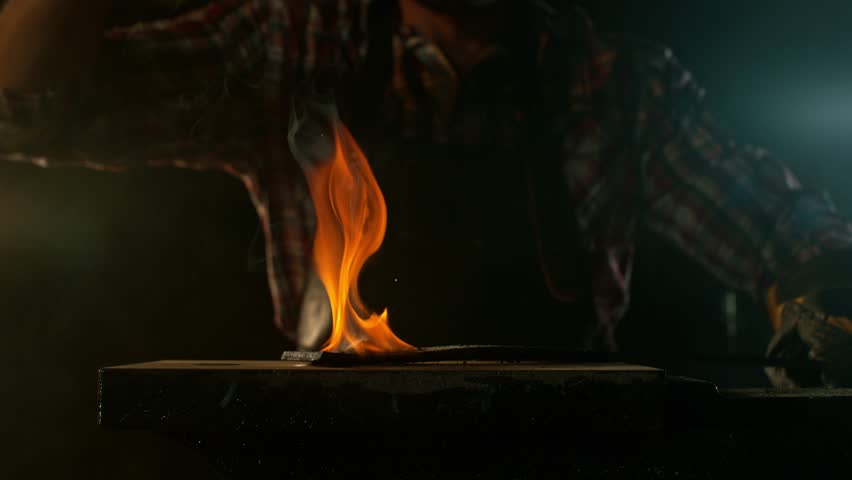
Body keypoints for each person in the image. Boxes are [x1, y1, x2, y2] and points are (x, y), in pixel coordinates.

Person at [2, 0, 852, 387]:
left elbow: (789, 237)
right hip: (334, 458)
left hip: (558, 455)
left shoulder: (616, 82)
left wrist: (823, 306)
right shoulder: (294, 40)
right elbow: (29, 113)